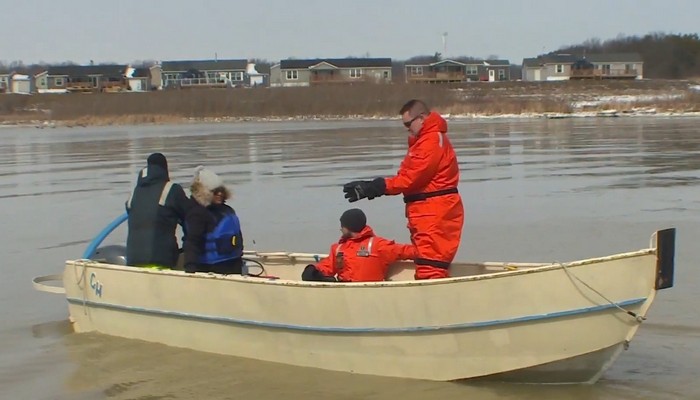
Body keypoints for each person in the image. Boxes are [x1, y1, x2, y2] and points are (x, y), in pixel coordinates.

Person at [342, 99, 464, 280]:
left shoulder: (430, 142)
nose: (407, 129)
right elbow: (408, 176)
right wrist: (372, 187)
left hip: (434, 212)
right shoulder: (424, 141)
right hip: (427, 211)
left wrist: (376, 187)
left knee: (430, 265)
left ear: (421, 118)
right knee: (427, 261)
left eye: (408, 124)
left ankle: (430, 303)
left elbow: (410, 178)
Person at [301, 208, 416, 282]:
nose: (340, 229)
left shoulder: (377, 245)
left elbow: (407, 251)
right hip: (344, 293)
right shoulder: (338, 248)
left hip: (369, 294)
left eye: (342, 226)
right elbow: (328, 266)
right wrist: (314, 271)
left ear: (348, 227)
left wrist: (429, 251)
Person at [126, 152, 191, 269]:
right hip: (161, 260)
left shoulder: (135, 193)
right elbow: (191, 219)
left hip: (133, 262)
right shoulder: (171, 189)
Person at [183, 166, 244, 275]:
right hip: (211, 267)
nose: (219, 194)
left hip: (233, 263)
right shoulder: (197, 214)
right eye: (215, 191)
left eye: (221, 190)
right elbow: (192, 242)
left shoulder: (226, 210)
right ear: (204, 192)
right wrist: (190, 267)